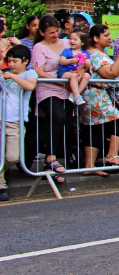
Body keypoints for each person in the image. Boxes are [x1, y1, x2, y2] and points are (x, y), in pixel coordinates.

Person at [78, 24, 119, 176]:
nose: (110, 38)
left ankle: (90, 166)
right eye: (106, 35)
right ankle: (111, 155)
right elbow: (111, 73)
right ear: (96, 38)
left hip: (94, 96)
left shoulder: (94, 53)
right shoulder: (95, 55)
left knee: (95, 129)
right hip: (97, 96)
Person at [32, 15, 74, 183]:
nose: (55, 35)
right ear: (42, 32)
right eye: (51, 33)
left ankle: (50, 165)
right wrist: (62, 83)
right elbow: (40, 72)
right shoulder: (39, 47)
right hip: (48, 88)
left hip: (67, 89)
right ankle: (50, 157)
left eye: (57, 31)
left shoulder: (65, 43)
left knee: (65, 124)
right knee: (58, 117)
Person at [1, 45, 38, 201]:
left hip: (15, 121)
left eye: (14, 61)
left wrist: (13, 77)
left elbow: (30, 85)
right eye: (9, 61)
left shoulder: (29, 73)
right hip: (1, 119)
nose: (11, 64)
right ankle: (2, 186)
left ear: (25, 61)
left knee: (13, 157)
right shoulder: (5, 74)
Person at [58, 31, 92, 105]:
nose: (72, 41)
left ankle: (76, 94)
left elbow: (88, 64)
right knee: (74, 75)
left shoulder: (85, 52)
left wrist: (84, 61)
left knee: (87, 75)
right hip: (65, 72)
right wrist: (71, 60)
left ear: (82, 42)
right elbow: (62, 61)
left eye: (75, 39)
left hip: (77, 72)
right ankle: (76, 96)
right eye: (71, 39)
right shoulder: (66, 51)